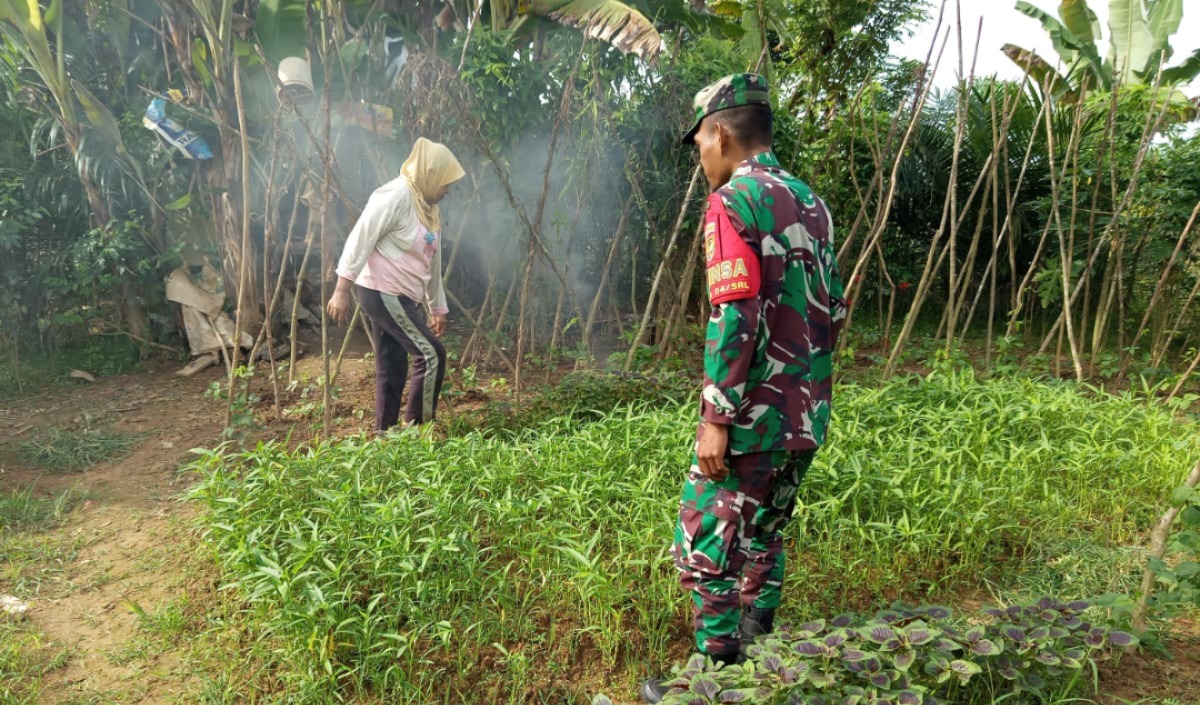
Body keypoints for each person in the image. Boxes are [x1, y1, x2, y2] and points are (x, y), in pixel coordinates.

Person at [642, 74, 847, 703]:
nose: (700, 153)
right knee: (764, 531)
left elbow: (736, 313)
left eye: (700, 139)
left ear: (722, 133)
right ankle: (759, 645)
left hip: (753, 414)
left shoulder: (734, 201)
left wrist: (717, 414)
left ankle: (716, 676)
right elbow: (832, 309)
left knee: (705, 537)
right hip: (806, 412)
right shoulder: (812, 203)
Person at [327, 137, 465, 433]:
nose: (447, 190)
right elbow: (361, 235)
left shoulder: (428, 208)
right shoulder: (396, 195)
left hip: (403, 295)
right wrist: (342, 289)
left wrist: (437, 307)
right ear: (430, 173)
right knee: (431, 354)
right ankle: (418, 432)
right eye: (445, 182)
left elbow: (433, 260)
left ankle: (384, 434)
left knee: (393, 366)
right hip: (382, 291)